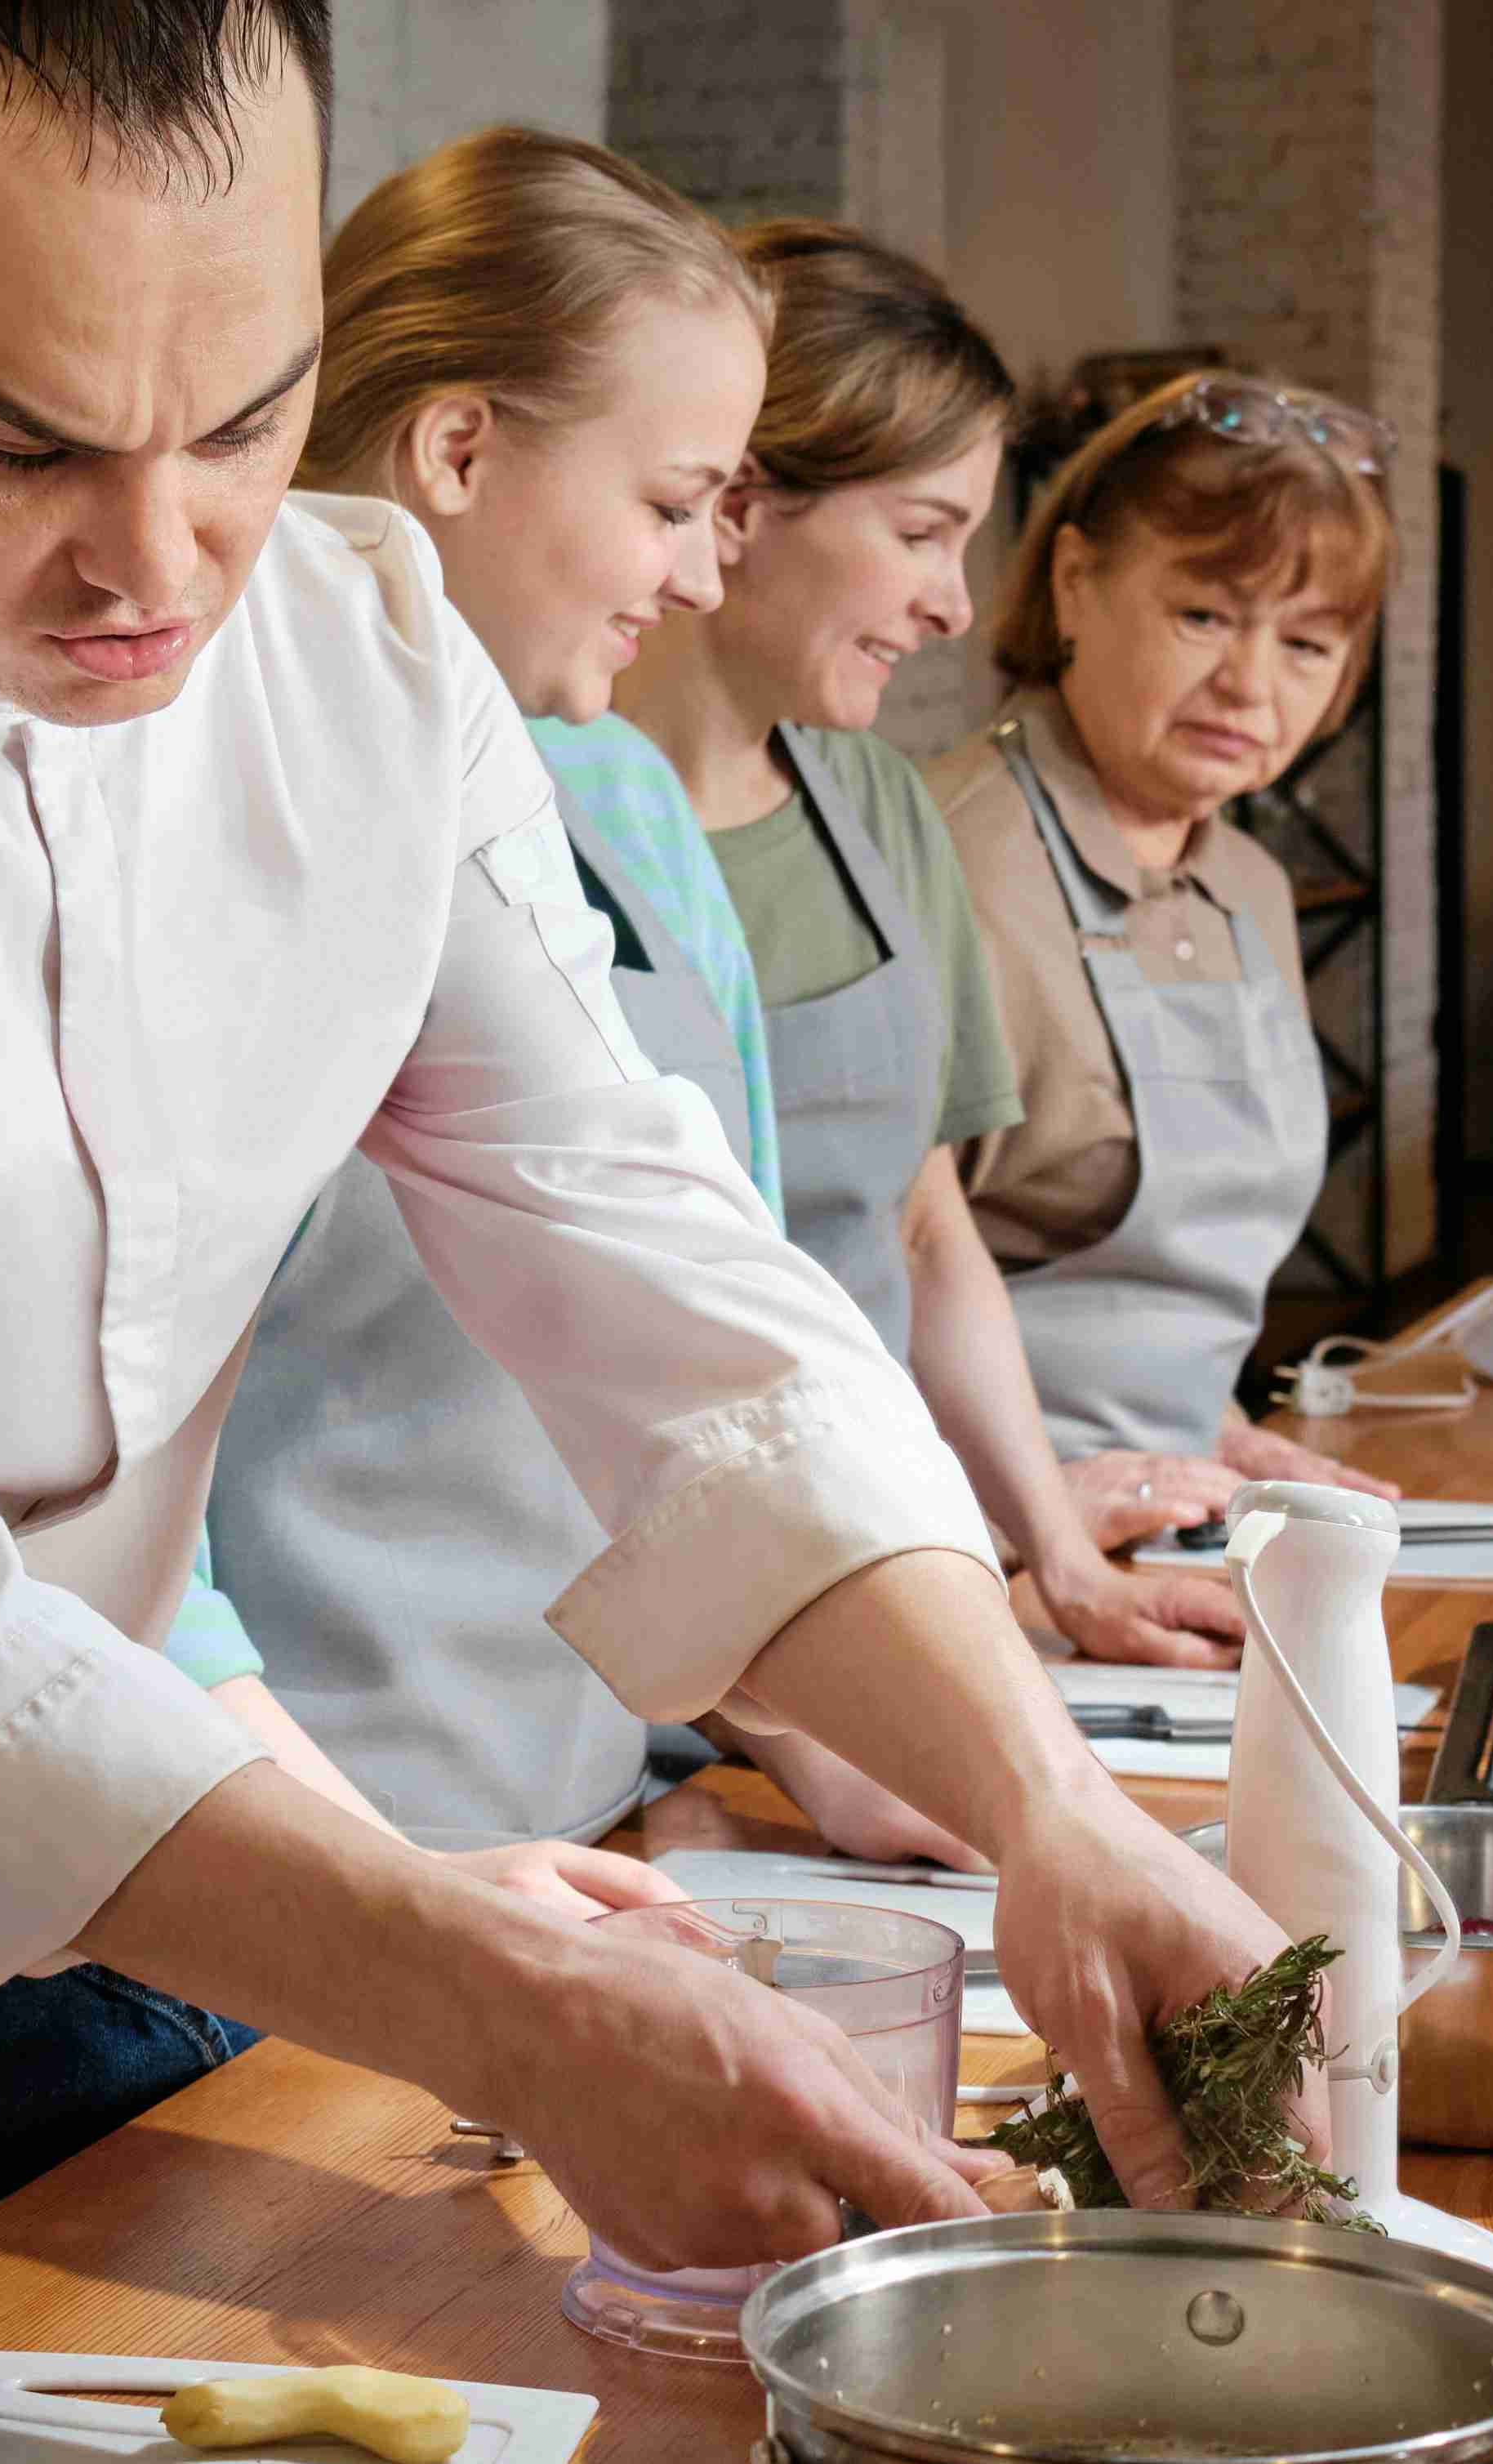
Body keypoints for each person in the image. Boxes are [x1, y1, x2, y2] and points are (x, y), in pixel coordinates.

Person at [0, 0, 1289, 2287]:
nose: (150, 560)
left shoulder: (363, 655)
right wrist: (496, 2003)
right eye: (19, 442)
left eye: (240, 419)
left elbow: (651, 1262)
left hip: (197, 1882)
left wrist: (1035, 1800)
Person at [185, 125, 941, 1863]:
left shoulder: (620, 806)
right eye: (674, 503)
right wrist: (384, 1914)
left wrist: (820, 1739)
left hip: (590, 1825)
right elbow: (105, 1545)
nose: (697, 576)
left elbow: (695, 1348)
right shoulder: (192, 818)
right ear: (458, 446)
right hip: (293, 1872)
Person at [608, 226, 1250, 1684]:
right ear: (736, 506)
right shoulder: (532, 819)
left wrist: (1061, 1561)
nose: (957, 606)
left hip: (856, 1594)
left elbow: (923, 1226)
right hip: (612, 1625)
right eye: (918, 533)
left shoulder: (881, 813)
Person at [929, 376, 1406, 1495]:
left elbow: (1166, 1281)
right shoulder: (939, 861)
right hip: (956, 1529)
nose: (1249, 685)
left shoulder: (1245, 884)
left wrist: (1213, 1424)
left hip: (1170, 1492)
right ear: (1075, 582)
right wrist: (1039, 1515)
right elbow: (840, 1280)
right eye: (1203, 616)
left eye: (1306, 643)